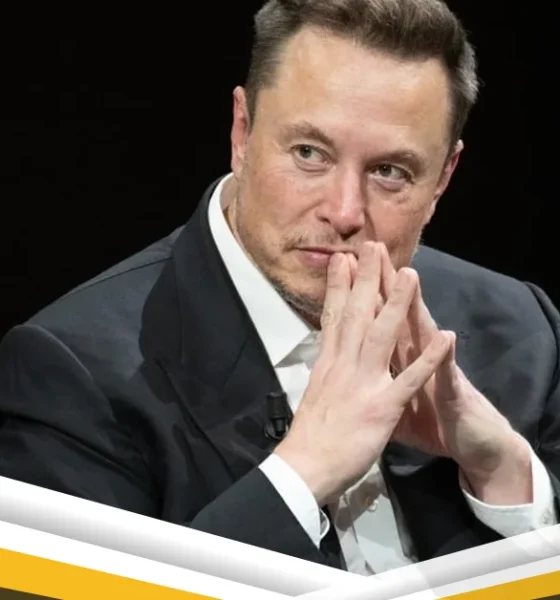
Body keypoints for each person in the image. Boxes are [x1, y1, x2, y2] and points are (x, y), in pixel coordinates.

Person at [0, 0, 558, 575]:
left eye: (390, 171)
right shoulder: (71, 376)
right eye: (309, 153)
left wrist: (507, 474)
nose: (345, 212)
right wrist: (300, 475)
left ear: (442, 178)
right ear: (242, 132)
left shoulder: (523, 329)